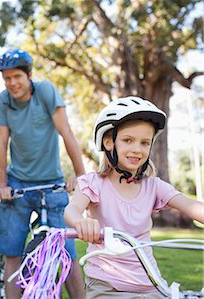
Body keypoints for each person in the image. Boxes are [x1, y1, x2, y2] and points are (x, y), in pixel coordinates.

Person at [64, 96, 204, 298]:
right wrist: (81, 222)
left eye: (145, 143)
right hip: (107, 285)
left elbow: (191, 206)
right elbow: (72, 209)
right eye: (128, 140)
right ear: (109, 142)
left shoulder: (153, 186)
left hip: (150, 283)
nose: (137, 149)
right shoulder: (93, 183)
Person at [0, 48, 86, 298]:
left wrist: (80, 175)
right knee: (12, 252)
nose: (12, 83)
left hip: (52, 184)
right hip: (17, 184)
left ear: (29, 75)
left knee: (67, 251)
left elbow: (66, 132)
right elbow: (1, 142)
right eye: (7, 78)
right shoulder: (4, 100)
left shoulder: (44, 91)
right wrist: (2, 184)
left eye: (17, 77)